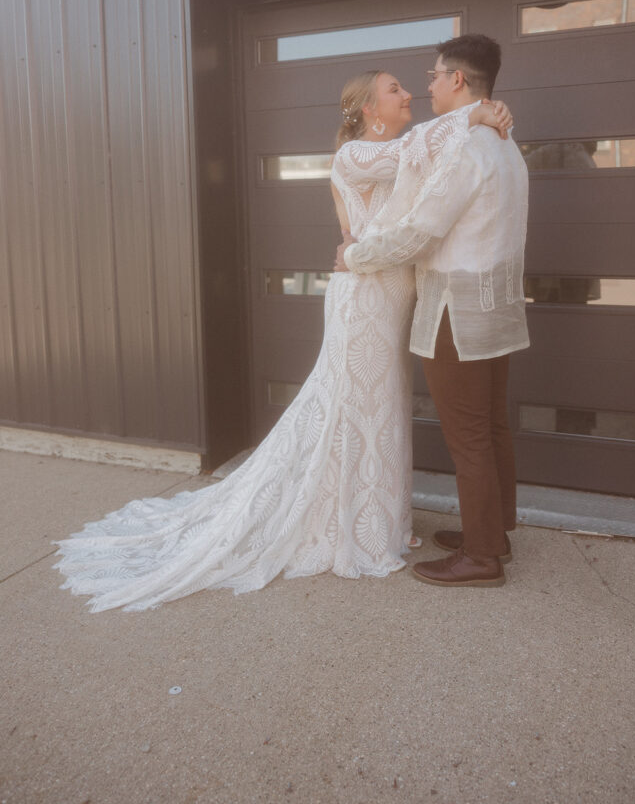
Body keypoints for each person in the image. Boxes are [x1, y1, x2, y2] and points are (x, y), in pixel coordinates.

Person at [53, 69, 511, 612]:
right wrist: (473, 111)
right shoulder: (355, 156)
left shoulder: (411, 152)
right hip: (363, 299)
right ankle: (347, 528)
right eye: (394, 89)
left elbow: (432, 177)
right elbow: (414, 152)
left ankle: (378, 521)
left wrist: (480, 119)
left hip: (394, 297)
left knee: (382, 409)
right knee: (353, 407)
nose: (407, 92)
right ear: (368, 109)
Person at [336, 35, 529, 589]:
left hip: (457, 311)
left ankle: (482, 558)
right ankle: (492, 534)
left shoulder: (468, 146)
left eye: (435, 75)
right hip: (497, 304)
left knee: (468, 434)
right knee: (490, 426)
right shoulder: (504, 140)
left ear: (459, 81)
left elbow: (422, 229)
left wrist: (357, 254)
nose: (428, 84)